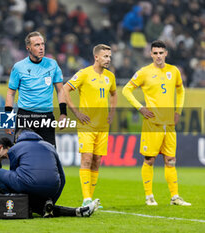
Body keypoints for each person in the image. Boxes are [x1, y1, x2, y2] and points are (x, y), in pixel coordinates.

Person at [122, 40, 191, 206]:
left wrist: (178, 111)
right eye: (155, 53)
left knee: (170, 160)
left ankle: (175, 197)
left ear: (166, 53)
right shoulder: (144, 72)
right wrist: (140, 108)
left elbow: (181, 91)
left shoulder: (174, 71)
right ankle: (149, 196)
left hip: (169, 125)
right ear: (151, 54)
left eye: (161, 53)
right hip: (152, 124)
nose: (158, 56)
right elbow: (126, 90)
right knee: (149, 160)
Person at [0, 129, 100, 217]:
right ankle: (46, 206)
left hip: (27, 185)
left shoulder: (14, 148)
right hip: (52, 187)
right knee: (42, 204)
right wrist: (52, 200)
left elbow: (14, 174)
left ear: (17, 138)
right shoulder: (50, 146)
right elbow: (62, 178)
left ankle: (21, 206)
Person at [63, 44, 117, 207]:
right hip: (86, 125)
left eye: (109, 56)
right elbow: (65, 89)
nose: (108, 59)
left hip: (102, 126)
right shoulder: (84, 74)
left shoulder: (110, 77)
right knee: (86, 159)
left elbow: (114, 94)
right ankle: (86, 198)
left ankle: (91, 199)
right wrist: (76, 112)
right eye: (105, 56)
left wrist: (112, 112)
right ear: (96, 57)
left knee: (97, 160)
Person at [5, 31, 67, 146]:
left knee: (49, 156)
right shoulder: (19, 67)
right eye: (37, 45)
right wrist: (6, 121)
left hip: (46, 116)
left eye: (42, 44)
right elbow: (10, 93)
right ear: (28, 48)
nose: (41, 48)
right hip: (25, 116)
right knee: (20, 154)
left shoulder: (53, 64)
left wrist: (63, 113)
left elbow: (60, 90)